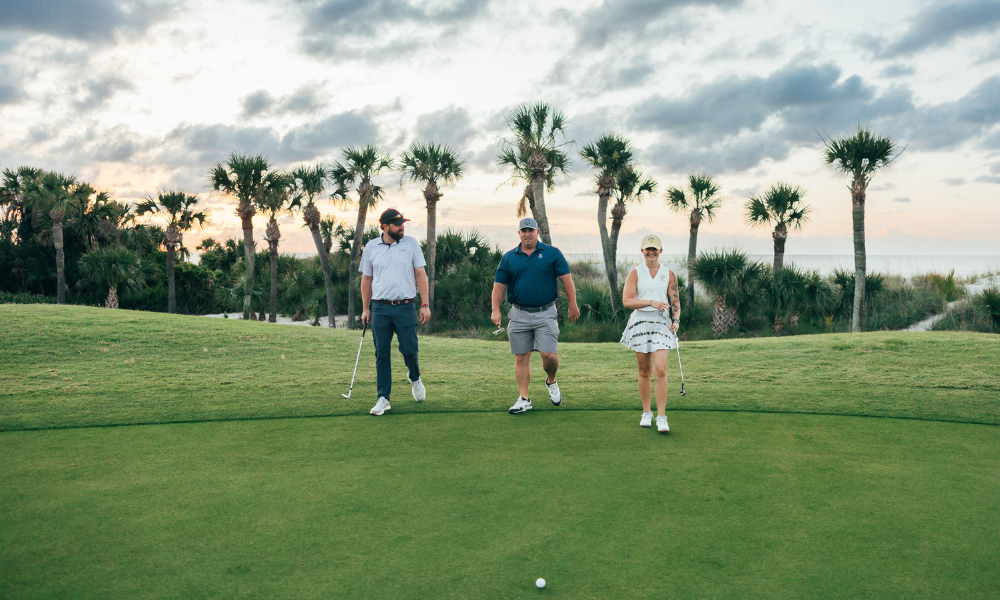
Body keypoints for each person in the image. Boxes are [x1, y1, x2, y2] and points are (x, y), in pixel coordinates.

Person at [491, 217, 580, 414]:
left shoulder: (552, 253)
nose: (527, 234)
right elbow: (499, 285)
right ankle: (524, 399)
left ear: (537, 233)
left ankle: (551, 381)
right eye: (523, 231)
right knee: (521, 357)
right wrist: (495, 309)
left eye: (530, 230)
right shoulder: (509, 257)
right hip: (519, 313)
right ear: (519, 234)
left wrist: (572, 305)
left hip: (545, 313)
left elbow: (566, 280)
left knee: (549, 356)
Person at [360, 208, 431, 416]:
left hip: (405, 306)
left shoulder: (411, 244)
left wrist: (425, 304)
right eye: (397, 223)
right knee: (381, 353)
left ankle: (415, 376)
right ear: (384, 226)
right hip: (380, 307)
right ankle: (383, 398)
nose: (402, 226)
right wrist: (365, 308)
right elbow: (366, 279)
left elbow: (420, 274)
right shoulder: (371, 247)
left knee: (409, 350)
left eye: (403, 223)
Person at [619, 234, 681, 433]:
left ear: (660, 251)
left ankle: (662, 416)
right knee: (644, 370)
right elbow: (627, 301)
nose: (651, 252)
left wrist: (677, 320)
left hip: (662, 323)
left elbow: (675, 301)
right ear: (642, 251)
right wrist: (650, 302)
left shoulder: (669, 273)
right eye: (648, 249)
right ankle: (647, 412)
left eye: (655, 249)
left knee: (660, 369)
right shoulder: (635, 273)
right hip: (640, 322)